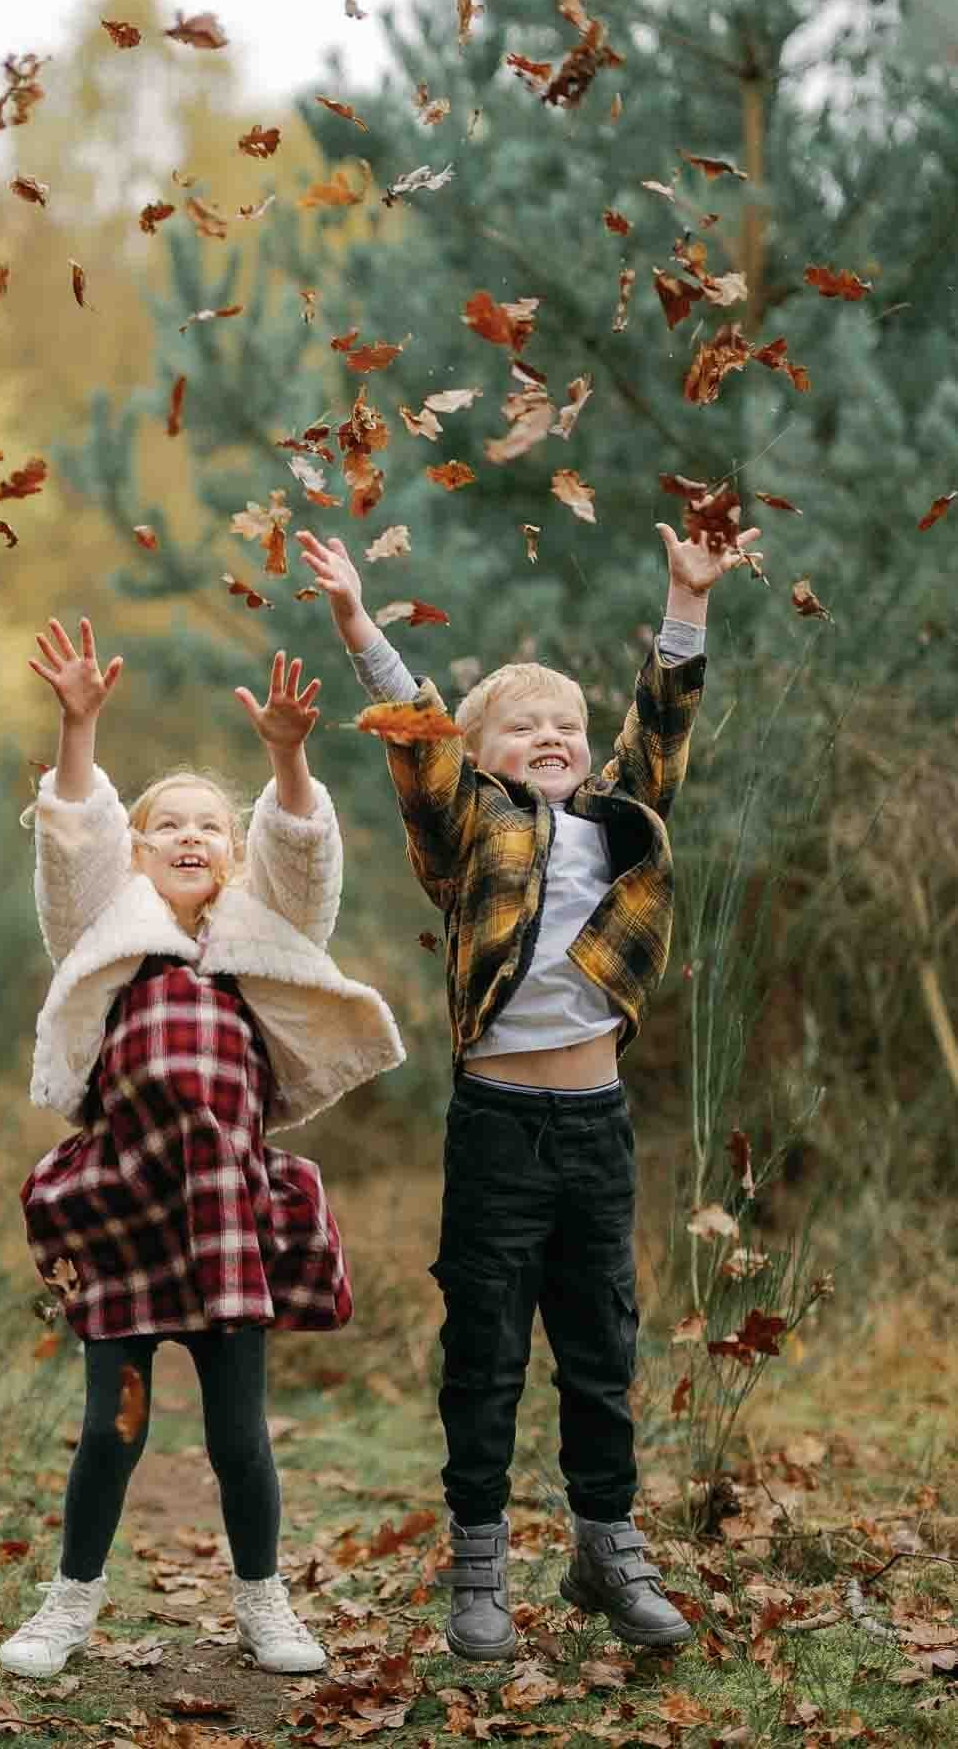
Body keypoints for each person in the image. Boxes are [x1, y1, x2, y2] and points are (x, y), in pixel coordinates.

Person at [297, 518, 761, 1658]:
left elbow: (661, 723)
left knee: (601, 1345)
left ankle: (607, 1550)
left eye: (566, 724)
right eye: (524, 724)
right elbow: (414, 737)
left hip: (596, 1126)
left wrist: (685, 599)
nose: (552, 734)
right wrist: (359, 620)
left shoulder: (616, 818)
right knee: (488, 1351)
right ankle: (478, 1564)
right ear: (481, 751)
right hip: (499, 1129)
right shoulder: (468, 831)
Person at [0, 620, 404, 1679]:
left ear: (233, 854)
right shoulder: (108, 938)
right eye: (165, 824)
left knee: (238, 1436)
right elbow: (73, 844)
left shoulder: (261, 945)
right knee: (111, 1430)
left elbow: (303, 860)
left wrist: (283, 757)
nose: (188, 836)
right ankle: (69, 1605)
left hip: (228, 1209)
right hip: (125, 1204)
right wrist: (77, 728)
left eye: (210, 827)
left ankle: (264, 1606)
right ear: (136, 855)